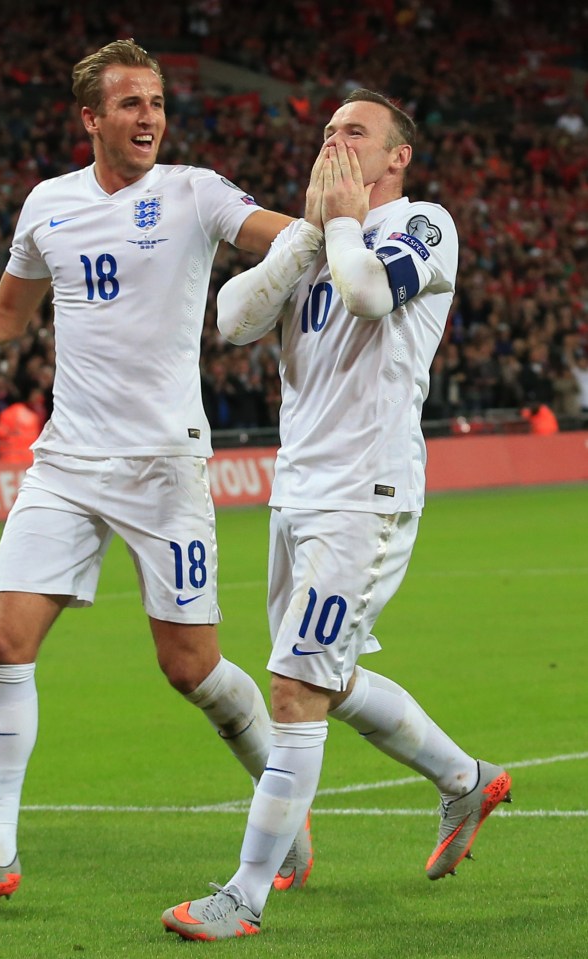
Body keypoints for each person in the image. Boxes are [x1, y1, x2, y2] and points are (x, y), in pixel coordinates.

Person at [0, 38, 308, 914]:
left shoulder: (194, 190)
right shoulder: (47, 204)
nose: (149, 117)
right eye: (130, 104)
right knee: (1, 642)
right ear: (91, 116)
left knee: (190, 666)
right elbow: (5, 315)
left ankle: (282, 802)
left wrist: (333, 234)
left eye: (157, 102)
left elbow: (279, 239)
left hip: (165, 465)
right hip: (66, 461)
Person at [162, 89, 512, 940]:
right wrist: (308, 237)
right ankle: (466, 779)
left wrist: (344, 226)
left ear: (397, 157)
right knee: (327, 675)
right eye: (327, 131)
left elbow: (364, 296)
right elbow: (233, 317)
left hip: (368, 492)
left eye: (354, 132)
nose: (334, 142)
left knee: (294, 686)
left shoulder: (423, 224)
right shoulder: (316, 237)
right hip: (298, 491)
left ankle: (244, 895)